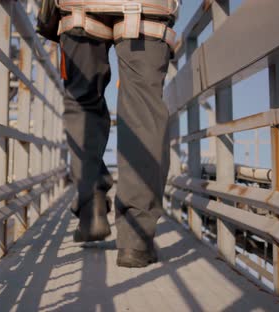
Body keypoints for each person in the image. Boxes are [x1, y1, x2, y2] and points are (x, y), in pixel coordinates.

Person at [39, 0, 179, 268]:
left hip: (79, 7)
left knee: (83, 102)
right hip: (147, 6)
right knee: (143, 110)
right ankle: (135, 239)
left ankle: (91, 208)